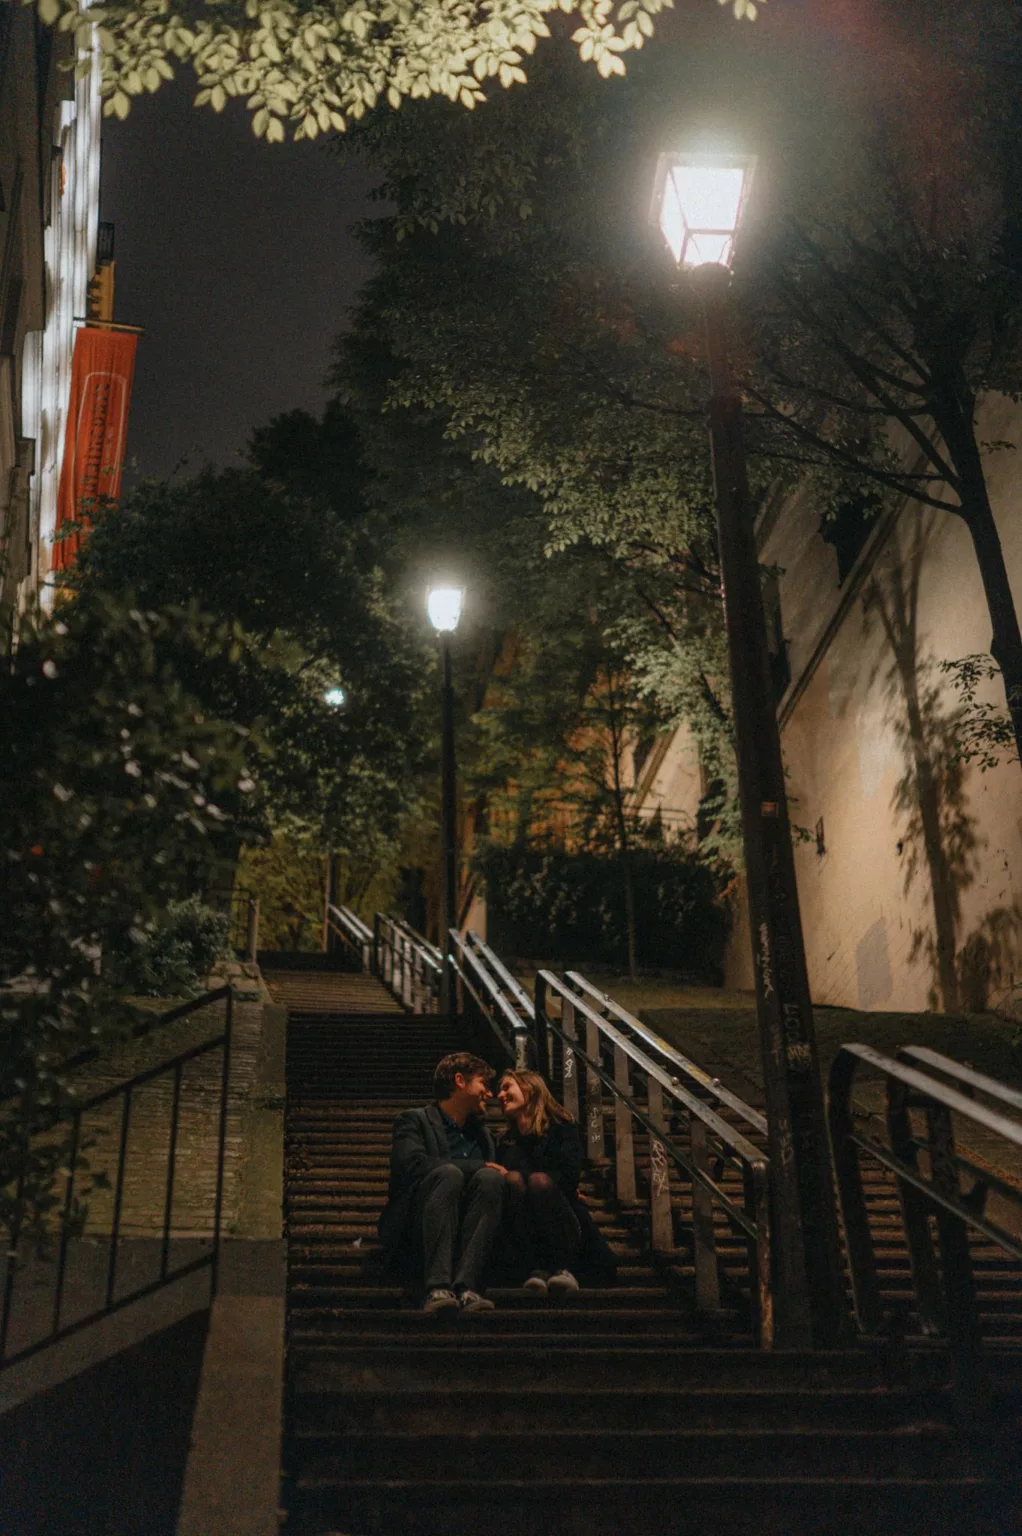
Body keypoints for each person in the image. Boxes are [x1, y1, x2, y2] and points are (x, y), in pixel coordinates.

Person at [378, 1051, 504, 1314]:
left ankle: (467, 1287)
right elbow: (411, 1165)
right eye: (483, 1083)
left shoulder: (484, 1135)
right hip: (419, 1228)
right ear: (460, 1081)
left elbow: (505, 1172)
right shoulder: (414, 1120)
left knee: (490, 1177)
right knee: (449, 1173)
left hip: (469, 1230)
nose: (489, 1094)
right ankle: (437, 1287)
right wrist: (475, 1166)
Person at [495, 1068, 589, 1297]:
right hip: (523, 1230)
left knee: (537, 1181)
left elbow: (568, 1176)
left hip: (562, 1223)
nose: (499, 1095)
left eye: (507, 1087)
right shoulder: (505, 1140)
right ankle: (533, 1267)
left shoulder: (562, 1128)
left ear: (529, 1088)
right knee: (513, 1180)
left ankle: (561, 1266)